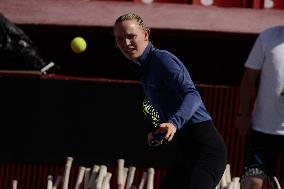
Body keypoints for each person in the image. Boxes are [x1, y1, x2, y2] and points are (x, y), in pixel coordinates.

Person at [113, 12, 227, 189]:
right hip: (185, 151)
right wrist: (160, 133)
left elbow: (193, 94)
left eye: (131, 36)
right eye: (120, 39)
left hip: (206, 150)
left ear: (146, 34)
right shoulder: (144, 70)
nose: (126, 43)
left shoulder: (161, 59)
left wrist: (174, 123)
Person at [236, 25, 284, 189]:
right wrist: (242, 114)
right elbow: (249, 77)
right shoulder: (268, 37)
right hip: (263, 127)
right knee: (253, 181)